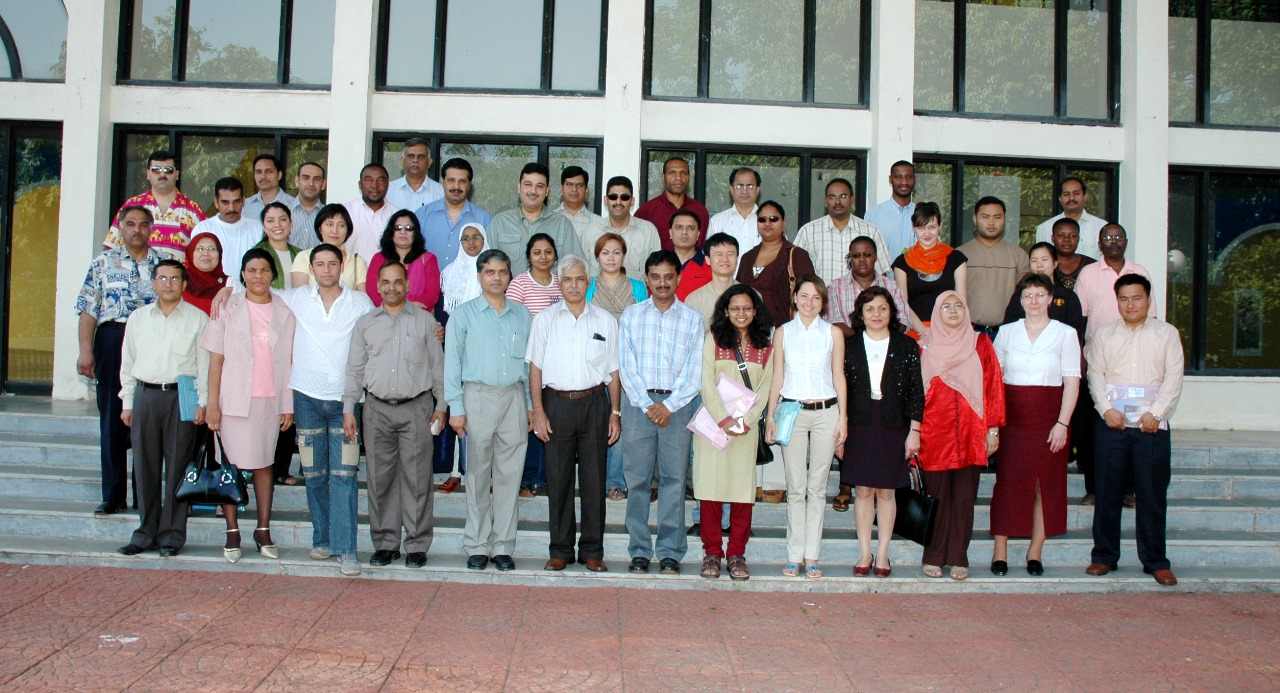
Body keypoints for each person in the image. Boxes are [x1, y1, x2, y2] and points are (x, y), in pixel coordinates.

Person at [345, 261, 448, 569]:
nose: (392, 287)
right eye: (385, 282)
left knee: (417, 480)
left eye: (398, 282)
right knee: (380, 479)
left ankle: (416, 544)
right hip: (375, 410)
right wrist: (348, 408)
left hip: (417, 408)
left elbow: (438, 368)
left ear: (407, 285)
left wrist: (441, 406)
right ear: (377, 287)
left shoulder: (425, 322)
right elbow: (354, 369)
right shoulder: (365, 323)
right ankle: (386, 543)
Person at [1085, 275, 1184, 587]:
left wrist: (1157, 413)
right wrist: (1106, 409)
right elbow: (1095, 374)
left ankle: (1155, 560)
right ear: (1117, 301)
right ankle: (1104, 556)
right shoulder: (1104, 334)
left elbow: (1173, 377)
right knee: (1107, 491)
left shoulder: (1167, 334)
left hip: (1151, 427)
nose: (1130, 304)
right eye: (1124, 299)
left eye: (1136, 298)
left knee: (1152, 494)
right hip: (1112, 424)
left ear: (1149, 300)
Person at [282, 243, 374, 576]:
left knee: (345, 475)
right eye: (318, 264)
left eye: (331, 263)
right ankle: (321, 539)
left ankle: (347, 549)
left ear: (342, 265)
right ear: (311, 268)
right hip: (305, 397)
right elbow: (256, 294)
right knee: (314, 474)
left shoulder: (360, 302)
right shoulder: (297, 298)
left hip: (345, 401)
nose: (325, 269)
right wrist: (226, 294)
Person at [527, 255, 620, 573]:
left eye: (580, 279)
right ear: (560, 282)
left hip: (596, 404)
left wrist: (615, 412)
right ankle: (561, 550)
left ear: (588, 281)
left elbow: (613, 371)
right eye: (567, 279)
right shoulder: (544, 319)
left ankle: (593, 550)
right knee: (559, 479)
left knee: (595, 479)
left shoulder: (605, 320)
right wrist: (537, 410)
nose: (574, 285)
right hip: (556, 405)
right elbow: (535, 369)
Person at [202, 249, 295, 563]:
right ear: (242, 274)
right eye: (252, 270)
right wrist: (212, 404)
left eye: (265, 270)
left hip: (269, 400)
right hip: (233, 400)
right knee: (231, 467)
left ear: (273, 275)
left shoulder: (285, 309)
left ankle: (263, 529)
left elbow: (289, 361)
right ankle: (232, 531)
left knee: (264, 464)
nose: (258, 276)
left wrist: (287, 404)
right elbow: (216, 360)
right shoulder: (228, 306)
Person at [445, 249, 533, 572]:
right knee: (479, 473)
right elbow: (451, 362)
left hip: (513, 397)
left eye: (502, 272)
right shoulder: (464, 315)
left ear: (510, 276)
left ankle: (503, 545)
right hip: (477, 396)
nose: (496, 277)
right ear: (480, 276)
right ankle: (478, 544)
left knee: (511, 474)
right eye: (490, 272)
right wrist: (455, 406)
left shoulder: (522, 315)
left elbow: (526, 363)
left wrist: (528, 405)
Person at [76, 206, 167, 516]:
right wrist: (85, 350)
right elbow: (89, 309)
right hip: (112, 340)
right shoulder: (102, 263)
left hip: (152, 344)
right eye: (130, 224)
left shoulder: (163, 265)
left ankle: (145, 496)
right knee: (113, 419)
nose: (137, 230)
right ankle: (113, 495)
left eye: (143, 224)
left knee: (146, 420)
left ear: (151, 228)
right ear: (121, 228)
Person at [990, 273, 1081, 577]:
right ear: (1020, 300)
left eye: (1040, 294)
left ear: (1050, 298)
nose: (1034, 301)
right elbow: (995, 380)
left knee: (1045, 486)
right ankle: (999, 551)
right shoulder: (1006, 332)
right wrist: (994, 423)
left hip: (1048, 417)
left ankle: (1035, 551)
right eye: (1028, 295)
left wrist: (1062, 423)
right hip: (1012, 417)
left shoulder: (1065, 334)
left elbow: (1071, 381)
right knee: (1007, 483)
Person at [115, 260, 208, 558]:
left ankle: (172, 535)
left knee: (179, 466)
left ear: (184, 285)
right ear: (153, 283)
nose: (168, 284)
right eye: (162, 278)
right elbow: (127, 364)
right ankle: (145, 533)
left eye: (174, 279)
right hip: (145, 396)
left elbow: (204, 367)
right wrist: (127, 402)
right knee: (145, 467)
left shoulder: (197, 319)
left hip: (181, 396)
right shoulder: (138, 318)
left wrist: (202, 403)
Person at [619, 250, 704, 575]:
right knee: (638, 480)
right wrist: (647, 404)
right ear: (647, 280)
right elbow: (627, 366)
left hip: (678, 407)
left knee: (673, 480)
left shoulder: (693, 319)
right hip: (638, 405)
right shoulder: (631, 316)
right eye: (656, 277)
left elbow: (694, 371)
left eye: (669, 276)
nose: (662, 283)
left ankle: (670, 551)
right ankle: (639, 550)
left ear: (678, 278)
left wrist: (667, 406)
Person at [917, 291, 1005, 580]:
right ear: (936, 312)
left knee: (964, 499)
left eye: (958, 306)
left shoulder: (980, 343)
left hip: (971, 432)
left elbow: (993, 387)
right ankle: (932, 555)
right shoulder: (924, 346)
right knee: (936, 497)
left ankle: (958, 556)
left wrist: (992, 429)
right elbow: (915, 394)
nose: (952, 311)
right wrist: (914, 431)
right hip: (934, 434)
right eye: (946, 307)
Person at [764, 276, 847, 579]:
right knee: (796, 487)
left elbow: (839, 376)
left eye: (816, 298)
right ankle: (793, 555)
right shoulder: (783, 333)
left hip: (826, 411)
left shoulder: (833, 333)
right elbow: (777, 376)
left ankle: (812, 555)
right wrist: (771, 415)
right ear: (795, 298)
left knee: (818, 487)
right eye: (804, 296)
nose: (809, 302)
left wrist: (844, 417)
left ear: (823, 302)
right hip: (792, 411)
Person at [841, 286, 923, 578]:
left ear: (891, 312)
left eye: (882, 308)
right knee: (863, 490)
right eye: (870, 309)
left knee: (887, 492)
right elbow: (840, 389)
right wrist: (841, 427)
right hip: (859, 423)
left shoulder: (906, 346)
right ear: (860, 314)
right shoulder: (848, 346)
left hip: (894, 424)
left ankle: (884, 553)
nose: (876, 314)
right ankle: (865, 551)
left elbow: (916, 392)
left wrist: (915, 430)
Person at [694, 285, 774, 581]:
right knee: (710, 492)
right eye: (735, 308)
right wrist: (723, 418)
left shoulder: (766, 346)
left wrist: (746, 421)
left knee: (742, 493)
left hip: (745, 430)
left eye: (747, 308)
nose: (741, 313)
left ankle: (737, 553)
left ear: (756, 311)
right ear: (725, 311)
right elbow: (705, 382)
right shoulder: (713, 340)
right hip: (713, 428)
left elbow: (766, 388)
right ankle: (712, 552)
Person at [585, 232, 647, 501]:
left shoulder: (638, 287)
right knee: (595, 426)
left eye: (616, 252)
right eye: (605, 253)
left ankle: (616, 481)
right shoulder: (587, 286)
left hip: (629, 365)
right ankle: (593, 480)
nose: (611, 258)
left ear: (624, 256)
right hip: (594, 365)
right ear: (597, 257)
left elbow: (646, 324)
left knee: (620, 421)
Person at [435, 222, 489, 494]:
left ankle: (481, 473)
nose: (470, 243)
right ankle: (456, 470)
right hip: (458, 349)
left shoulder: (494, 272)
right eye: (465, 238)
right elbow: (442, 314)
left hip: (485, 352)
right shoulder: (449, 273)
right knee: (458, 410)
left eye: (476, 237)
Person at [506, 233, 562, 497]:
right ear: (529, 255)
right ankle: (527, 478)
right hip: (528, 363)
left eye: (548, 251)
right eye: (537, 252)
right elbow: (511, 322)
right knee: (529, 420)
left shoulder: (560, 284)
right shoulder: (520, 284)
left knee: (549, 420)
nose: (543, 257)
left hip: (555, 364)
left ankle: (545, 478)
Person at [103, 150, 206, 262]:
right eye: (156, 170)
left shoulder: (193, 210)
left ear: (177, 175)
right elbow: (111, 248)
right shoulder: (132, 206)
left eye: (168, 170)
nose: (162, 174)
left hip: (176, 278)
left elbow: (206, 251)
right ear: (148, 174)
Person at [489, 162, 584, 276]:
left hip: (549, 293)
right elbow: (486, 266)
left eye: (539, 186)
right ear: (519, 187)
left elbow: (575, 267)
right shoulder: (499, 222)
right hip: (509, 293)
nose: (533, 191)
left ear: (547, 191)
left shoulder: (562, 224)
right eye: (528, 184)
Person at [892, 202, 969, 338]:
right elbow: (902, 304)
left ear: (940, 226)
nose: (927, 233)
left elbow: (961, 301)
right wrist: (923, 331)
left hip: (950, 331)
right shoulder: (902, 262)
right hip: (916, 331)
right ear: (913, 227)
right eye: (921, 228)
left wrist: (945, 330)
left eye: (932, 227)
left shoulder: (956, 259)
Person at [956, 196, 1030, 339]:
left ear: (1004, 219)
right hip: (969, 333)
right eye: (985, 217)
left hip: (1008, 333)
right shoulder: (959, 255)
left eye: (997, 217)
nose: (991, 222)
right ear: (975, 219)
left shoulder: (1018, 255)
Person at [736, 200, 816, 330]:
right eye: (762, 219)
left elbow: (811, 294)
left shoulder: (796, 255)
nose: (767, 223)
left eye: (773, 219)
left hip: (785, 331)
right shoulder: (747, 257)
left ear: (784, 223)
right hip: (748, 331)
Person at [794, 178, 891, 284]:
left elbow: (881, 275)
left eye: (843, 196)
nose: (837, 201)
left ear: (852, 200)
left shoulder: (871, 231)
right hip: (821, 299)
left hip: (861, 299)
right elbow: (794, 270)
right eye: (832, 197)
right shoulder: (808, 232)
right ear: (826, 201)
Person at [1076, 223, 1155, 343]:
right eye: (1107, 238)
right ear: (1099, 245)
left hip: (1136, 346)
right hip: (1097, 347)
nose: (1113, 242)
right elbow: (1079, 317)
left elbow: (1151, 315)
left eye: (1118, 238)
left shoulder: (1140, 272)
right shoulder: (1087, 273)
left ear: (1126, 242)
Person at [826, 236, 912, 337]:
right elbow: (833, 323)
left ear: (875, 257)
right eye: (856, 255)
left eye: (867, 255)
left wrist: (881, 339)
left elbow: (903, 320)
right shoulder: (835, 287)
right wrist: (863, 341)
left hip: (888, 346)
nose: (862, 259)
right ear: (850, 258)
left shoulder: (891, 286)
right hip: (848, 348)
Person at [1001, 242, 1085, 345]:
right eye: (1034, 260)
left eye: (1044, 260)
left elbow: (1076, 335)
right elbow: (1009, 328)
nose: (1039, 265)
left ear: (1055, 263)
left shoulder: (1068, 297)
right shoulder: (1020, 295)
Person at [417, 158, 493, 272]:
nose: (456, 186)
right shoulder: (422, 215)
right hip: (427, 287)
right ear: (443, 183)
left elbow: (490, 260)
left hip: (467, 288)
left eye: (462, 181)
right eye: (451, 180)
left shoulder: (484, 219)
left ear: (469, 185)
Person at [582, 176, 660, 277]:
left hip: (636, 292)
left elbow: (657, 269)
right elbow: (583, 269)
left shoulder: (648, 231)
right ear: (606, 200)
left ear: (632, 201)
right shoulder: (591, 230)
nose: (618, 202)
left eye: (624, 197)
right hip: (598, 292)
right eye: (613, 197)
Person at [365, 210, 441, 311]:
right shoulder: (379, 259)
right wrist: (398, 307)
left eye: (409, 228)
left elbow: (432, 295)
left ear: (415, 233)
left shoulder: (428, 259)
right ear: (391, 232)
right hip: (385, 316)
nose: (403, 231)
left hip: (419, 318)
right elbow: (373, 291)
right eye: (398, 228)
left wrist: (405, 308)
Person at [191, 177, 264, 278]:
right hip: (214, 292)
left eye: (236, 202)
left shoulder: (258, 228)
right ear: (216, 202)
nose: (231, 208)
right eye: (225, 202)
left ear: (243, 201)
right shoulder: (203, 229)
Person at [635, 157, 710, 250]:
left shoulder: (700, 211)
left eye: (683, 173)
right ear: (663, 177)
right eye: (672, 172)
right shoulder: (646, 212)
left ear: (689, 177)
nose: (678, 177)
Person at [291, 203, 368, 293]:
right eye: (329, 224)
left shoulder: (357, 261)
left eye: (341, 225)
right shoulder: (304, 257)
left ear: (347, 231)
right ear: (320, 228)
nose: (335, 231)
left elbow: (363, 299)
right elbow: (300, 298)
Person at [1035, 177, 1108, 259]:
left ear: (1085, 197)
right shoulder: (1045, 228)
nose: (1071, 198)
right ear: (1060, 199)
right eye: (1066, 194)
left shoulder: (1102, 227)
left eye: (1076, 193)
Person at [706, 167, 761, 266]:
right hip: (726, 281)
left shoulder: (769, 221)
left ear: (757, 190)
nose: (745, 191)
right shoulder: (717, 221)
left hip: (761, 281)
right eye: (739, 186)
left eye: (750, 186)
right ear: (731, 189)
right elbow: (707, 256)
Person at [864, 160, 918, 259]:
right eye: (898, 177)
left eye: (909, 177)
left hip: (918, 274)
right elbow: (867, 253)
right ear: (890, 179)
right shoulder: (873, 216)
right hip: (885, 275)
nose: (904, 182)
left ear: (914, 180)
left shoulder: (922, 214)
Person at [684, 232, 739, 328]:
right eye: (719, 254)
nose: (725, 259)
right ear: (708, 260)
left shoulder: (751, 295)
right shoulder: (694, 300)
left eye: (730, 254)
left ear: (737, 258)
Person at [344, 163, 393, 261]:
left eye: (381, 180)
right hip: (349, 274)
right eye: (368, 180)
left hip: (384, 275)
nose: (374, 185)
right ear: (360, 184)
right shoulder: (345, 212)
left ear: (387, 184)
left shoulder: (396, 216)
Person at [253, 201, 302, 291]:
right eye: (270, 221)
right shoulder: (255, 255)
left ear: (291, 224)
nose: (277, 225)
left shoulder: (300, 255)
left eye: (282, 219)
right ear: (263, 226)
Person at [386, 138, 443, 212]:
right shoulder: (388, 191)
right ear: (402, 161)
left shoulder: (441, 192)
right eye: (411, 156)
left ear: (429, 162)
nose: (415, 160)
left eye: (421, 156)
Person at [553, 165, 601, 250]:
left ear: (586, 190)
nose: (574, 189)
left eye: (579, 185)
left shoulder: (599, 224)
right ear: (561, 188)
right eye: (569, 184)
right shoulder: (550, 219)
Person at [182, 231, 229, 315]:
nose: (206, 253)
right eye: (200, 249)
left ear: (219, 254)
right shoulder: (179, 282)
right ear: (191, 253)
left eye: (212, 249)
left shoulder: (230, 284)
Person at [243, 153, 297, 223]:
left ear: (279, 175)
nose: (263, 176)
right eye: (258, 172)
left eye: (268, 171)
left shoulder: (293, 205)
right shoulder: (244, 206)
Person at [671, 210, 712, 300]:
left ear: (698, 235)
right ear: (670, 233)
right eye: (679, 227)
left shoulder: (711, 266)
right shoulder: (659, 264)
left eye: (691, 228)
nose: (684, 232)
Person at [1049, 217, 1096, 292]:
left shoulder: (1091, 265)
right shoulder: (1043, 264)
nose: (1066, 239)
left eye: (1072, 236)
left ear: (1078, 238)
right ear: (1053, 238)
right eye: (1061, 235)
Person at [289, 161, 327, 250]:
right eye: (305, 178)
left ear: (323, 184)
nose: (311, 183)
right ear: (297, 181)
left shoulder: (329, 215)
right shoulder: (283, 213)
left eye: (317, 179)